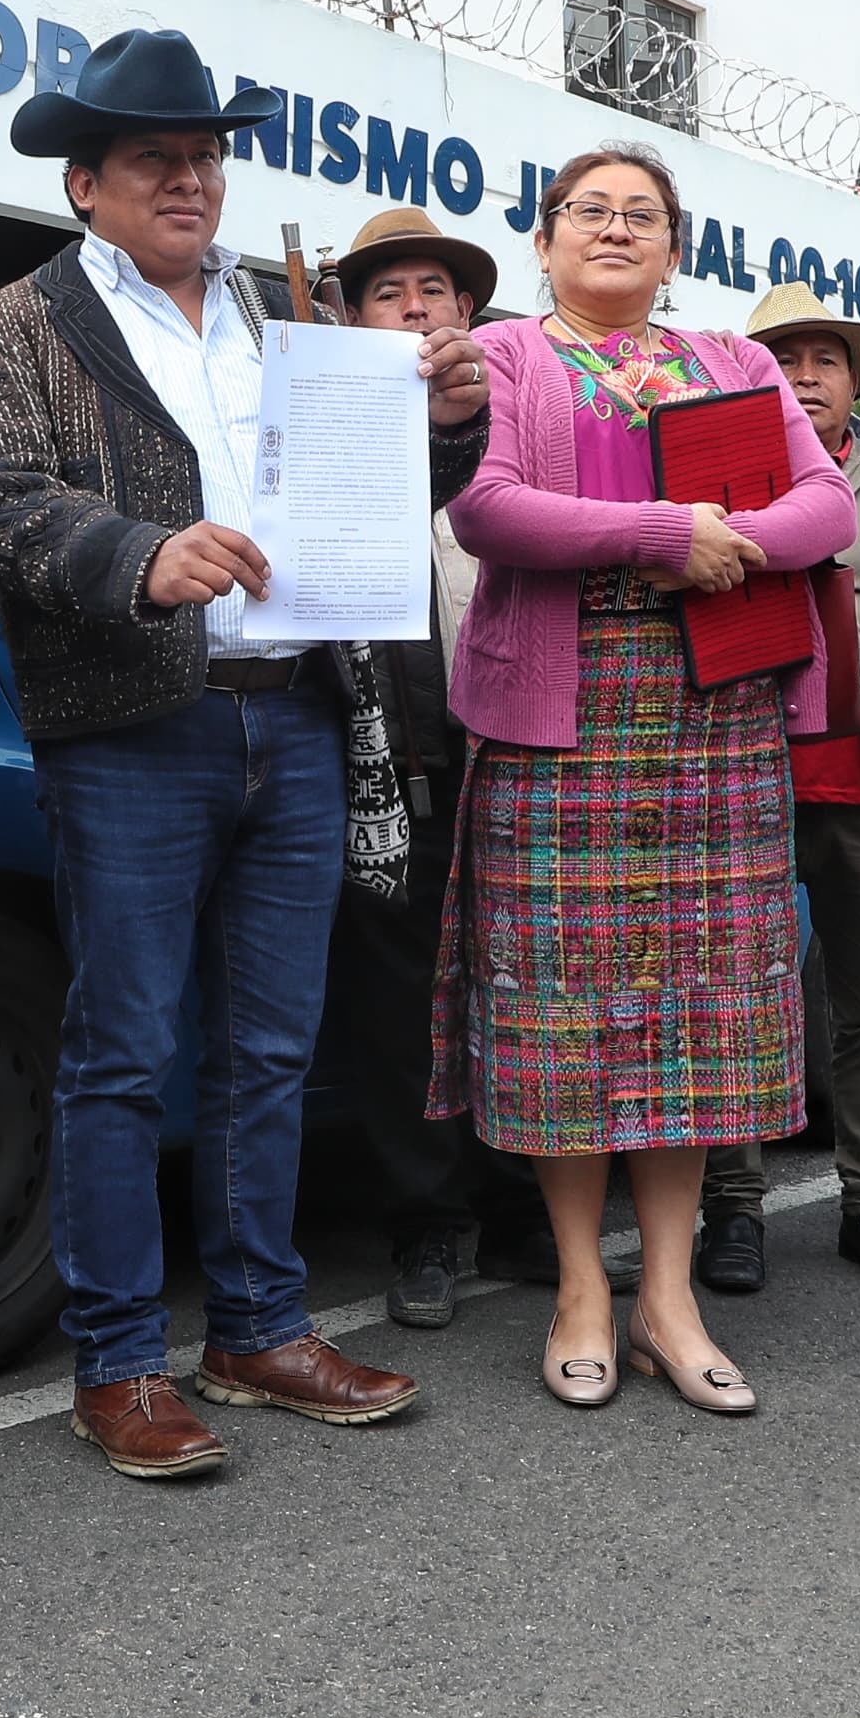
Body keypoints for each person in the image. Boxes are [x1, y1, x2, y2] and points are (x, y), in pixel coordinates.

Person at [0, 30, 484, 1479]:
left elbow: (376, 495)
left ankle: (255, 1326)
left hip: (296, 713)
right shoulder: (8, 324)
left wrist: (445, 425)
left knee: (269, 1047)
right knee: (121, 1051)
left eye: (204, 156)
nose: (189, 179)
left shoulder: (278, 311)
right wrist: (140, 553)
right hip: (134, 727)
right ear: (85, 182)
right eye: (153, 159)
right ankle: (119, 1360)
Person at [432, 144, 857, 1418]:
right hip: (555, 717)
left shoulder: (732, 361)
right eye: (588, 211)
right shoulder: (505, 356)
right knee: (565, 1004)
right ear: (543, 238)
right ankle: (580, 1284)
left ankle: (666, 1297)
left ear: (675, 246)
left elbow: (827, 506)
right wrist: (665, 533)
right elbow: (485, 509)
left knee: (693, 1009)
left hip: (716, 711)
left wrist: (729, 546)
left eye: (642, 214)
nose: (614, 229)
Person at [693, 282, 860, 1299]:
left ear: (855, 380)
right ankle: (732, 1207)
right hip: (740, 791)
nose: (804, 375)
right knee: (733, 1005)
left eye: (825, 358)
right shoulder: (707, 480)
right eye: (783, 356)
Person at [317, 205, 549, 1328]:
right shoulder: (320, 430)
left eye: (433, 291)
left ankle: (520, 1205)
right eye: (386, 293)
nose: (414, 311)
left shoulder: (518, 419)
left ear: (468, 309)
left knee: (520, 981)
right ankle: (424, 1224)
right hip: (387, 758)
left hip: (514, 746)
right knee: (400, 997)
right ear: (351, 318)